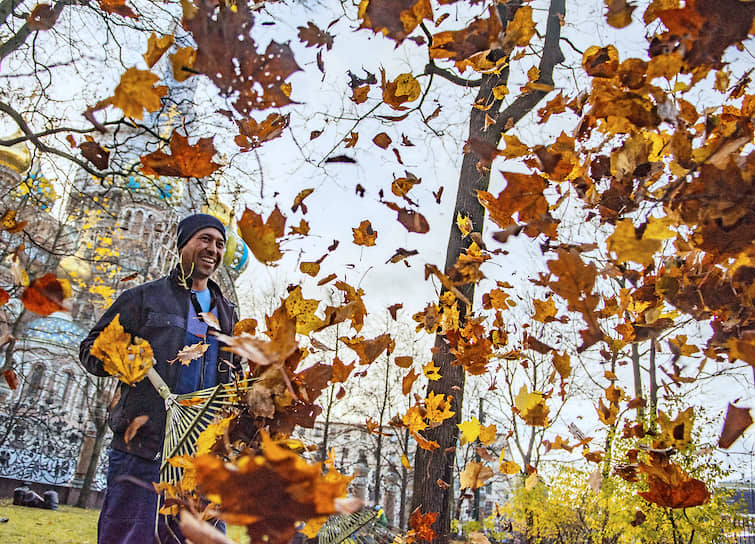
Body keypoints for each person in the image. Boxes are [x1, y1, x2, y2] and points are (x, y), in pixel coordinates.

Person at [80, 213, 239, 544]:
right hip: (144, 453)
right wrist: (123, 359)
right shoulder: (144, 299)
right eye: (204, 239)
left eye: (220, 243)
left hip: (201, 461)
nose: (213, 249)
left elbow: (232, 378)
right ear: (183, 244)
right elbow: (91, 350)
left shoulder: (226, 314)